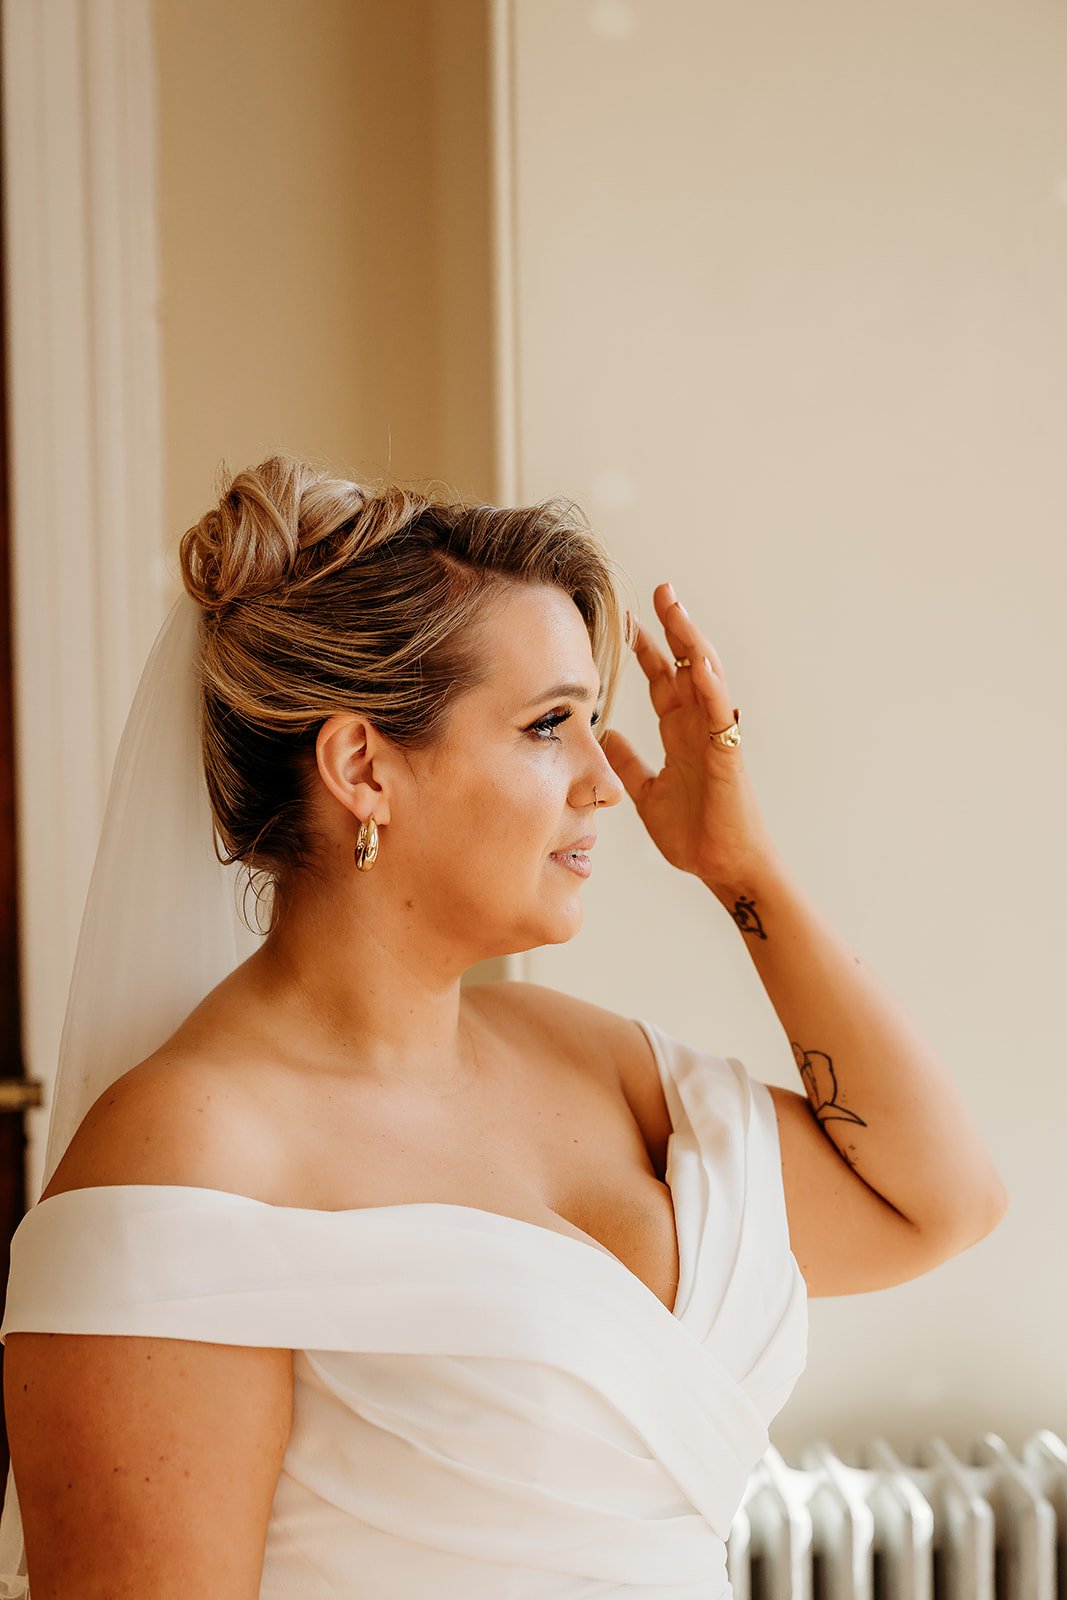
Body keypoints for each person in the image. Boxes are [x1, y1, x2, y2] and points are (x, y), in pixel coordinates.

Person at [0, 455, 1006, 1599]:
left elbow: (940, 1203)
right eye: (545, 726)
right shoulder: (187, 1152)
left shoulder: (585, 1056)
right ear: (362, 766)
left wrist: (743, 870)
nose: (604, 781)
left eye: (590, 722)